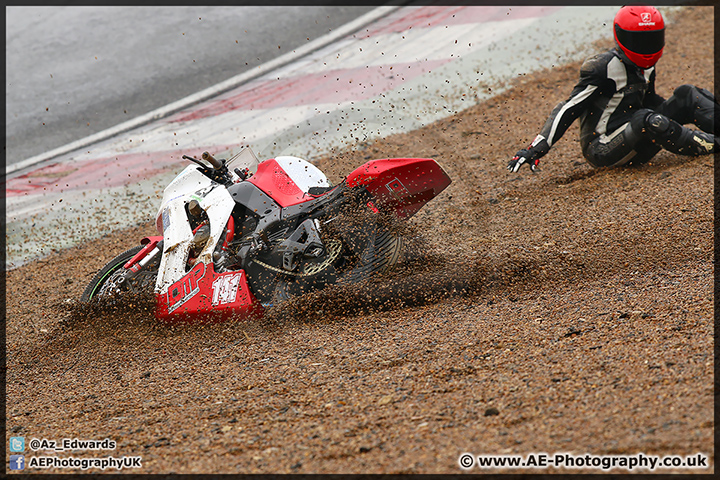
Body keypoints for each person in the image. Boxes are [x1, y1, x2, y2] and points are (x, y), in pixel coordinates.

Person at [508, 4, 718, 173]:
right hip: (602, 147)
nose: (646, 47)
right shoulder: (601, 68)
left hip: (638, 131)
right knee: (647, 119)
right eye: (639, 40)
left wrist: (674, 115)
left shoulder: (646, 67)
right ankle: (712, 144)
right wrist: (536, 148)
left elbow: (650, 100)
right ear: (621, 37)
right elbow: (569, 107)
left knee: (686, 94)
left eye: (651, 39)